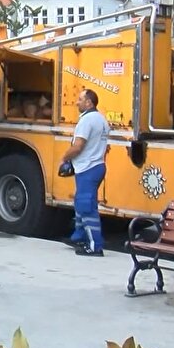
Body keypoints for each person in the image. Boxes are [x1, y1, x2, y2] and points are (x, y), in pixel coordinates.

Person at [60, 89, 109, 256]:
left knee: (86, 207)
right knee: (82, 203)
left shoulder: (87, 120)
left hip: (87, 168)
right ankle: (79, 237)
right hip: (97, 166)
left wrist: (64, 158)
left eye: (80, 99)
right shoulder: (101, 119)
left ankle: (95, 246)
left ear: (89, 102)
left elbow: (78, 146)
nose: (77, 102)